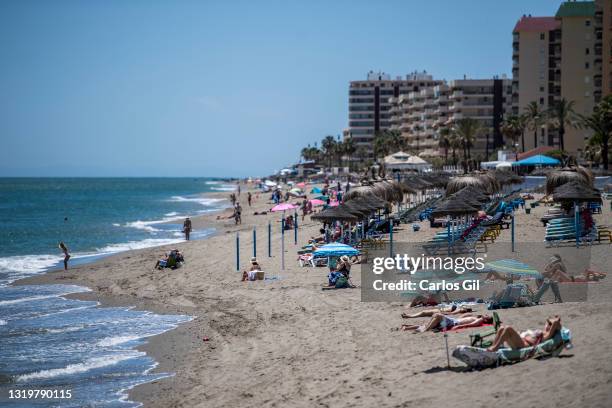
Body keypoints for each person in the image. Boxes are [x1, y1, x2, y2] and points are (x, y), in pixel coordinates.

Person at [487, 316, 562, 352]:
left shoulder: (547, 335)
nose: (547, 325)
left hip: (524, 346)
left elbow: (556, 323)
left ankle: (495, 348)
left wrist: (554, 320)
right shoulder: (543, 331)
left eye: (549, 324)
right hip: (521, 341)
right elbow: (550, 321)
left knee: (508, 328)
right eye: (547, 323)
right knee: (502, 328)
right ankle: (493, 347)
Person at [401, 313, 493, 333]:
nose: (485, 314)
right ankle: (407, 328)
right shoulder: (476, 317)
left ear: (486, 320)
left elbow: (472, 325)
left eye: (487, 316)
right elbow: (462, 317)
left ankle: (425, 330)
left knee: (437, 316)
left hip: (453, 323)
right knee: (434, 319)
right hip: (453, 320)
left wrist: (459, 327)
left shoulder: (480, 320)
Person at [401, 305, 473, 319]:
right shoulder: (459, 308)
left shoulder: (459, 310)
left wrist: (441, 313)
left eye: (466, 307)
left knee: (423, 313)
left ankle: (409, 316)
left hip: (439, 311)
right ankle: (409, 315)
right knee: (423, 312)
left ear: (466, 310)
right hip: (439, 310)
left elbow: (452, 313)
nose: (465, 306)